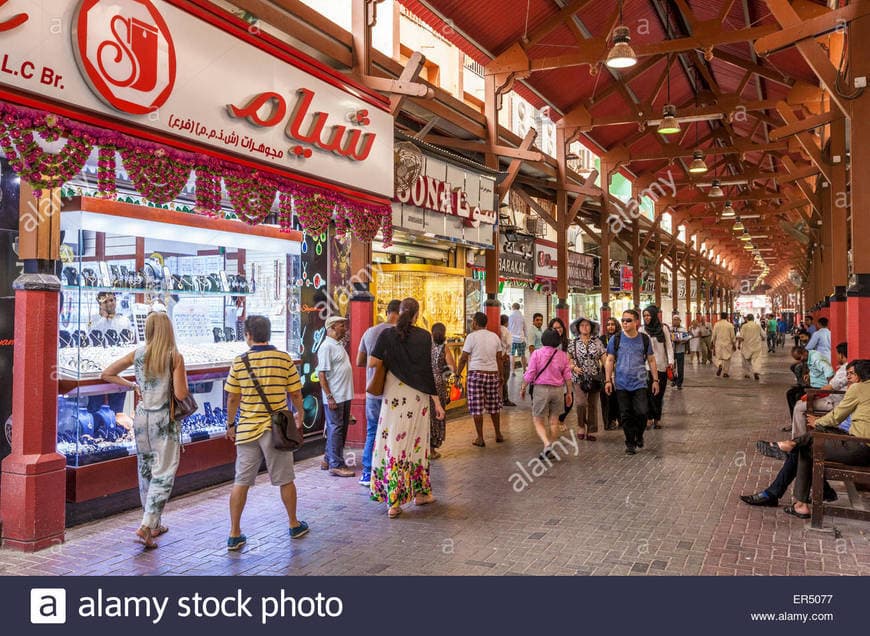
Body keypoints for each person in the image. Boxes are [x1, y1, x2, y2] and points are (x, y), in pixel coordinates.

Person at [101, 311, 188, 549]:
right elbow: (181, 394)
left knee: (146, 470)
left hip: (141, 418)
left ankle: (154, 525)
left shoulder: (138, 354)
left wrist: (132, 385)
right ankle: (147, 524)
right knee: (164, 472)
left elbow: (107, 373)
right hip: (163, 420)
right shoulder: (174, 357)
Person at [223, 315, 308, 550]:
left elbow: (232, 398)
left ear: (248, 335)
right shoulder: (283, 359)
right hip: (276, 429)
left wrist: (231, 424)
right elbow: (296, 393)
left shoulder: (239, 362)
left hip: (248, 429)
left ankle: (234, 533)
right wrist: (299, 413)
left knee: (241, 481)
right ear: (269, 333)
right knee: (285, 479)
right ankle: (293, 523)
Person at [738, 359, 865, 512]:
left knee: (805, 448)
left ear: (862, 375)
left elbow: (836, 417)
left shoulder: (859, 388)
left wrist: (818, 421)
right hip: (853, 438)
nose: (847, 377)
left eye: (851, 374)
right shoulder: (862, 389)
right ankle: (797, 493)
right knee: (807, 442)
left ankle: (790, 497)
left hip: (858, 446)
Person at [368, 298, 445, 519]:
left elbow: (372, 363)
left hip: (393, 397)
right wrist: (437, 403)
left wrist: (392, 359)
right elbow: (427, 372)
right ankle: (420, 494)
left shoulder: (386, 335)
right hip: (417, 400)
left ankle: (393, 502)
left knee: (393, 444)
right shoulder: (424, 336)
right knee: (416, 446)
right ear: (417, 315)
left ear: (399, 313)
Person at [356, 299, 401, 486]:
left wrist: (373, 367)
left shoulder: (370, 331)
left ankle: (367, 472)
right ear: (399, 313)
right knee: (393, 432)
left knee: (372, 430)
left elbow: (359, 361)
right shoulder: (398, 334)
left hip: (372, 391)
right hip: (392, 392)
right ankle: (389, 470)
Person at [604, 310, 659, 455]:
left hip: (640, 382)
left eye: (628, 320)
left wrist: (655, 380)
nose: (624, 323)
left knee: (642, 412)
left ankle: (639, 434)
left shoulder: (644, 339)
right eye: (622, 320)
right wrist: (608, 380)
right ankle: (630, 443)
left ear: (636, 322)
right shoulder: (615, 339)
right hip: (621, 383)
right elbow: (609, 360)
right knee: (626, 414)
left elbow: (651, 360)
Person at [521, 328, 574, 458]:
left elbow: (531, 372)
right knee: (554, 421)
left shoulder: (537, 354)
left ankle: (546, 444)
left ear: (543, 339)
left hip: (541, 389)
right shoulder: (562, 355)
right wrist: (569, 393)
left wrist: (523, 387)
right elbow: (567, 375)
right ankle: (550, 446)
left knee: (538, 419)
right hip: (558, 390)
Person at [455, 312, 505, 447]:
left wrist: (458, 374)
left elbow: (463, 358)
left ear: (475, 323)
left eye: (472, 322)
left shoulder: (471, 337)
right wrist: (501, 375)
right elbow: (499, 358)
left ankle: (480, 438)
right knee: (494, 405)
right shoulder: (494, 337)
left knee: (477, 407)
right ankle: (498, 434)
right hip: (492, 374)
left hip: (476, 374)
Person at [317, 315, 355, 477]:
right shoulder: (327, 347)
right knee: (336, 429)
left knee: (338, 429)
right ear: (331, 327)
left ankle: (328, 458)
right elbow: (321, 374)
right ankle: (336, 464)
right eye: (341, 325)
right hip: (336, 396)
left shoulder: (337, 345)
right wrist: (330, 396)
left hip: (343, 395)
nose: (344, 328)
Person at [567, 317, 606, 441]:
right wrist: (573, 367)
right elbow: (568, 359)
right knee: (581, 403)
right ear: (578, 328)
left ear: (592, 328)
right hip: (579, 378)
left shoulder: (597, 342)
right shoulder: (573, 343)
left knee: (593, 405)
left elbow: (604, 358)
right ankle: (581, 426)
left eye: (587, 325)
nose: (585, 327)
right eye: (582, 325)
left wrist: (609, 373)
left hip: (595, 378)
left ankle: (591, 430)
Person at [640, 305, 674, 429]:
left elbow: (669, 346)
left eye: (648, 315)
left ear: (654, 315)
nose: (646, 318)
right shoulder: (642, 330)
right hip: (646, 367)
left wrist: (671, 362)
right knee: (648, 393)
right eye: (644, 316)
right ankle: (649, 418)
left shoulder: (663, 328)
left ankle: (657, 418)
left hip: (662, 366)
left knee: (659, 394)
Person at [429, 322, 456, 459]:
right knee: (438, 415)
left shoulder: (426, 346)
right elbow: (452, 368)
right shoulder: (444, 348)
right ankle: (432, 449)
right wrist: (442, 374)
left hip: (426, 383)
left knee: (427, 415)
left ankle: (424, 448)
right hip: (439, 385)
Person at [599, 317, 622, 430]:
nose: (610, 327)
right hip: (606, 371)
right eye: (608, 325)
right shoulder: (602, 339)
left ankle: (621, 419)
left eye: (613, 324)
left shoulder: (622, 337)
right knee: (607, 397)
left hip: (620, 370)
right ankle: (609, 421)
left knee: (619, 397)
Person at [737, 313, 765, 381]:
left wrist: (738, 344)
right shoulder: (757, 326)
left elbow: (741, 337)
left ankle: (747, 374)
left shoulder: (744, 326)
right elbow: (764, 335)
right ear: (753, 319)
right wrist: (762, 338)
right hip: (756, 346)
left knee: (746, 360)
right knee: (756, 360)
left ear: (747, 319)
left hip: (746, 346)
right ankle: (756, 372)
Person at [711, 311, 736, 378]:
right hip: (727, 344)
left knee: (718, 357)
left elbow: (714, 335)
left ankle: (719, 365)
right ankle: (725, 373)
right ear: (727, 317)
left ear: (720, 317)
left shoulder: (716, 324)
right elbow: (733, 336)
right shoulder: (730, 325)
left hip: (718, 344)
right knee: (727, 358)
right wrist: (734, 344)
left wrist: (712, 343)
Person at [499, 314, 516, 407]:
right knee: (504, 378)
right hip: (504, 356)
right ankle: (505, 399)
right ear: (506, 322)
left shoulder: (496, 329)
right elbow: (509, 344)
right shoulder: (506, 331)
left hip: (496, 357)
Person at [670, 315, 691, 390]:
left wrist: (681, 340)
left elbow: (687, 338)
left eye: (677, 319)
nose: (675, 321)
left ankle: (679, 383)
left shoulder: (683, 329)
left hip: (680, 350)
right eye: (674, 319)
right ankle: (673, 380)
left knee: (680, 367)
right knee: (672, 367)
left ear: (680, 321)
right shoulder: (670, 328)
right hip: (671, 351)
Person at [507, 303, 527, 374]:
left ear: (513, 307)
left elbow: (508, 328)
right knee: (522, 355)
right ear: (519, 308)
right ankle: (524, 370)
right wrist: (525, 338)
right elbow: (525, 328)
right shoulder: (522, 317)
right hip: (521, 339)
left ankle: (513, 371)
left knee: (512, 355)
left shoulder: (510, 316)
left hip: (512, 339)